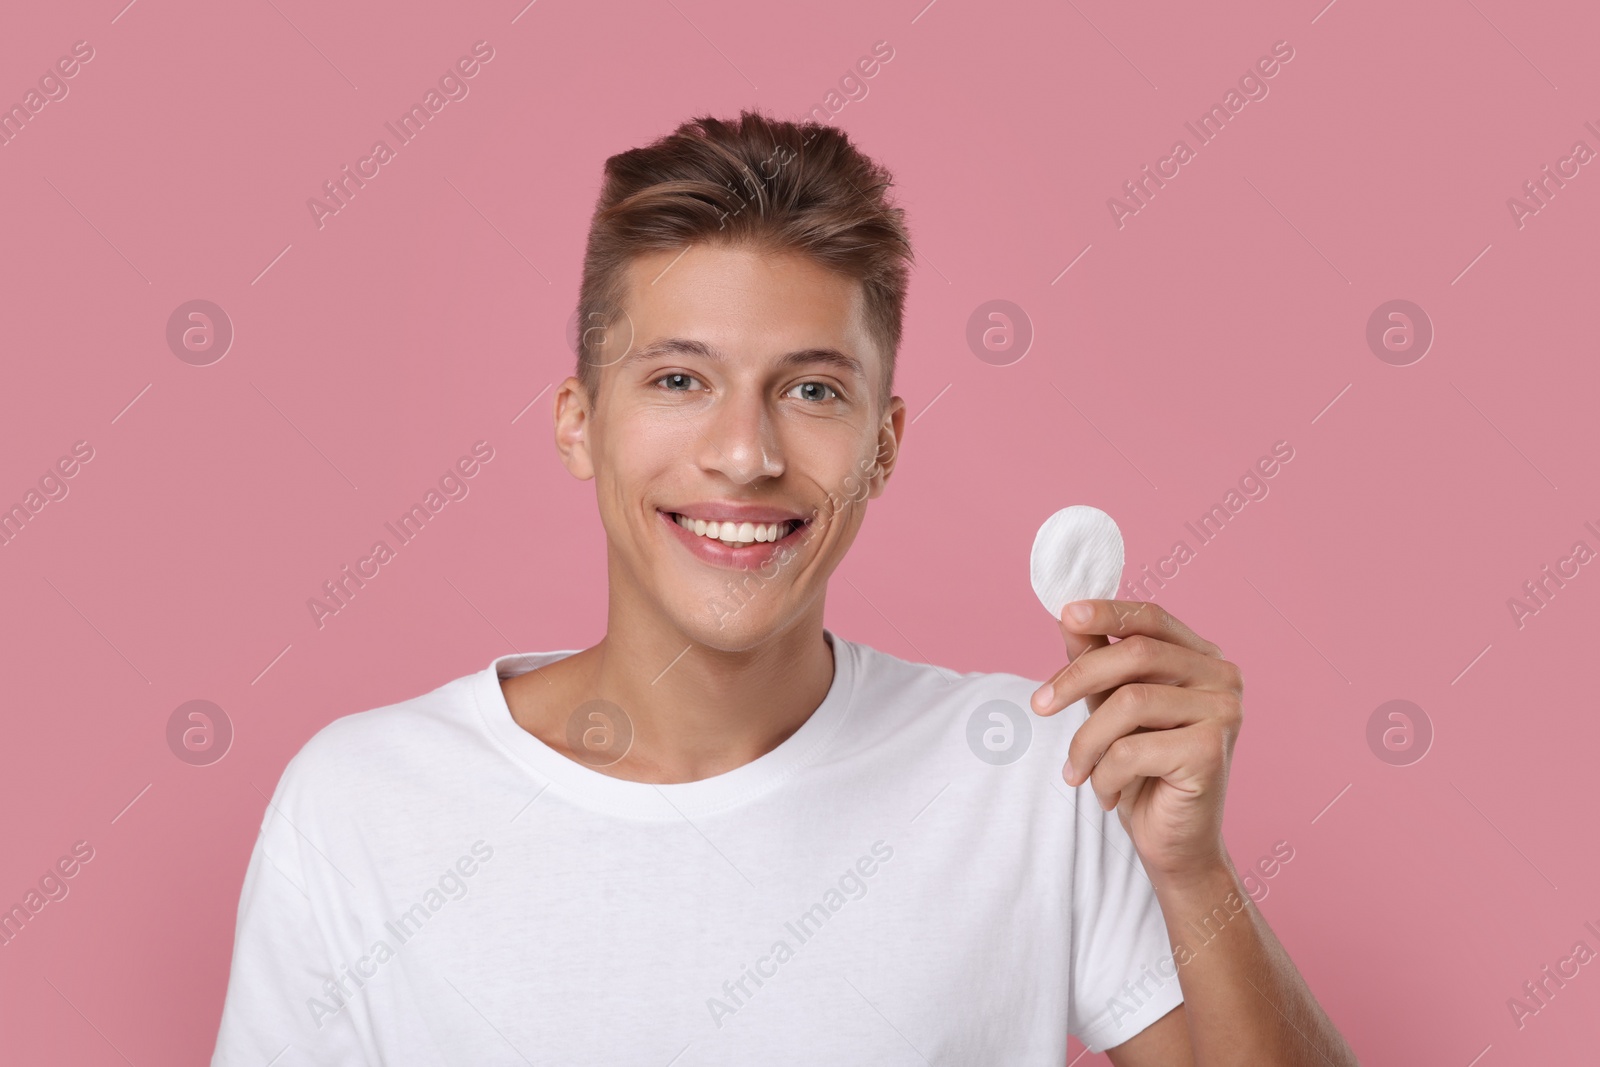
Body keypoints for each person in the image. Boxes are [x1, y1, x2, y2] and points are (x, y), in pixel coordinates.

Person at [211, 110, 1357, 1066]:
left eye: (810, 390)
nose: (745, 453)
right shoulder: (362, 806)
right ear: (577, 421)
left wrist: (1190, 866)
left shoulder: (1039, 766)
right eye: (677, 378)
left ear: (884, 440)